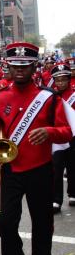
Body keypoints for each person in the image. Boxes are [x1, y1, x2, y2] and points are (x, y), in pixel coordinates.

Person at [0, 42, 72, 255]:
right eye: (15, 65)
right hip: (10, 169)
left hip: (41, 169)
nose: (20, 69)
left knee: (42, 224)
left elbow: (67, 132)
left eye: (25, 65)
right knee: (5, 223)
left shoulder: (49, 98)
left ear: (34, 66)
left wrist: (49, 132)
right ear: (8, 66)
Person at [50, 63, 75, 212]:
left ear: (68, 80)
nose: (60, 83)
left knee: (73, 166)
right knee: (56, 168)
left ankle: (73, 194)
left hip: (73, 136)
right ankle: (56, 200)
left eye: (63, 80)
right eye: (57, 80)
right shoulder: (50, 96)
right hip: (57, 136)